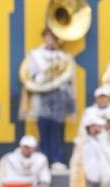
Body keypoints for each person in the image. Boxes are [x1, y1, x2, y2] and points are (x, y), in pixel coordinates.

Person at [19, 27, 76, 170]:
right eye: (48, 36)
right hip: (41, 97)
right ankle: (43, 160)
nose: (51, 39)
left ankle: (57, 159)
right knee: (43, 131)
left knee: (57, 132)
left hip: (58, 98)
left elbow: (69, 79)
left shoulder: (64, 56)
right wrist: (42, 77)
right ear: (44, 37)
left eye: (54, 37)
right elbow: (30, 75)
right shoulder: (35, 55)